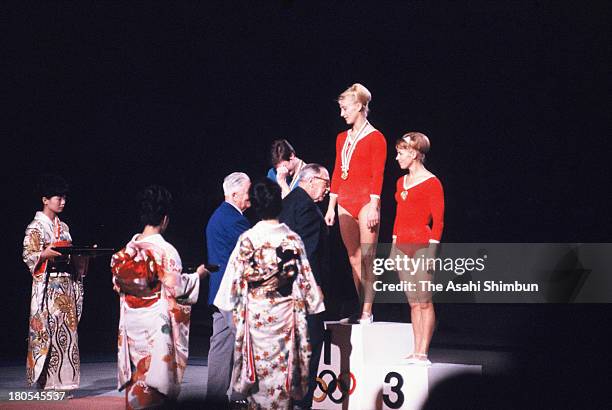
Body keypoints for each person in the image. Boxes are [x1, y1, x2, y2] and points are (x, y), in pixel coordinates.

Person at [215, 179, 325, 409]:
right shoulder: (292, 239)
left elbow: (232, 285)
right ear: (279, 205)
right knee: (281, 377)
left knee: (257, 380)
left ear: (257, 206)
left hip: (256, 315)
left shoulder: (248, 239)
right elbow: (307, 286)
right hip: (284, 316)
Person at [110, 185, 208, 409]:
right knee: (155, 379)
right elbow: (178, 288)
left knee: (139, 374)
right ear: (165, 219)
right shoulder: (166, 251)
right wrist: (198, 276)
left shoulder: (128, 250)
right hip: (155, 322)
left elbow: (118, 285)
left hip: (132, 322)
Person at [325, 83, 387, 323]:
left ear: (360, 106)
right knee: (353, 257)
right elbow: (338, 171)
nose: (342, 114)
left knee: (367, 257)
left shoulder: (376, 137)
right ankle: (361, 306)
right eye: (340, 109)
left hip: (366, 201)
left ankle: (368, 311)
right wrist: (331, 206)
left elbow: (377, 174)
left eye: (345, 108)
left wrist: (374, 205)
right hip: (345, 200)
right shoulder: (342, 138)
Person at [22, 174, 86, 391]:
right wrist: (43, 255)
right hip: (48, 286)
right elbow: (28, 255)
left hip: (66, 286)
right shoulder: (35, 228)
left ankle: (64, 383)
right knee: (48, 333)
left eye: (64, 197)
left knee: (67, 335)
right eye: (58, 197)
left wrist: (81, 259)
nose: (62, 201)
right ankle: (47, 384)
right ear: (45, 200)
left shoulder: (64, 227)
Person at [279, 163, 330, 409]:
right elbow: (306, 254)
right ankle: (302, 402)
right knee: (312, 341)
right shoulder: (308, 209)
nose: (328, 189)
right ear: (310, 181)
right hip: (303, 291)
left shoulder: (287, 202)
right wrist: (315, 286)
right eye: (325, 182)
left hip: (283, 290)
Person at [392, 132, 444, 365]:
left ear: (413, 154)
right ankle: (415, 350)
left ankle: (424, 351)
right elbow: (399, 215)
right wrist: (394, 246)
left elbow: (438, 221)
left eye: (400, 153)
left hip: (422, 245)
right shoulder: (400, 182)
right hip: (402, 244)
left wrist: (432, 252)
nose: (397, 158)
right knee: (413, 302)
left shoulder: (432, 182)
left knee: (424, 300)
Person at [205, 172, 251, 406]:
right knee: (247, 343)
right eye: (247, 192)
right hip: (233, 295)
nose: (250, 197)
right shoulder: (234, 220)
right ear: (234, 194)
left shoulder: (218, 216)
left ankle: (214, 398)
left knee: (221, 345)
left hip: (219, 293)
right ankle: (240, 397)